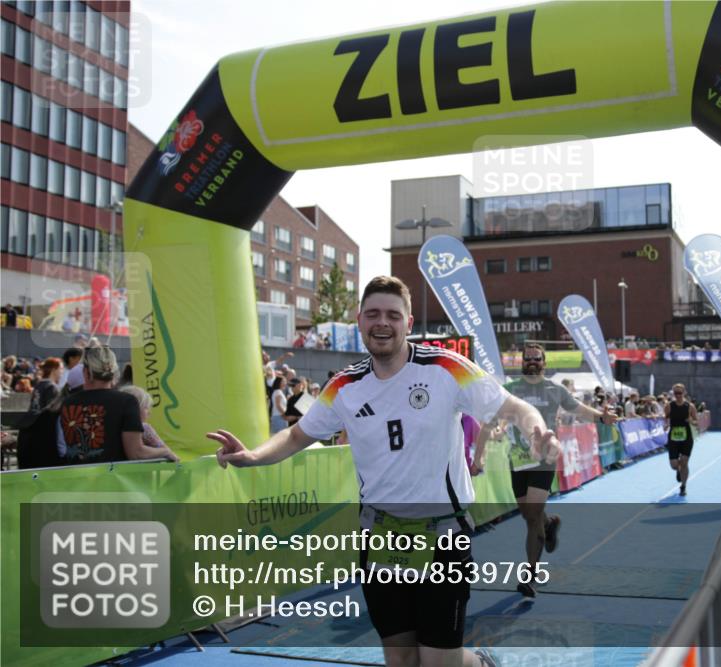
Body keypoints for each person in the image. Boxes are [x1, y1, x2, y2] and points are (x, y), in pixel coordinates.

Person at [208, 276, 558, 667]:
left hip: (443, 535)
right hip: (380, 535)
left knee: (440, 662)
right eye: (373, 313)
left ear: (408, 323)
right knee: (401, 659)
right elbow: (294, 436)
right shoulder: (344, 385)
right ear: (359, 320)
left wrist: (536, 431)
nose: (382, 323)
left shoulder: (445, 367)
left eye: (393, 315)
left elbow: (513, 408)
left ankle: (481, 663)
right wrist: (253, 456)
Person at [473, 342, 617, 598]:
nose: (531, 362)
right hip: (516, 461)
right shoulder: (509, 390)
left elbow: (580, 410)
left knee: (532, 517)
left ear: (544, 363)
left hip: (544, 459)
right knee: (529, 515)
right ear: (521, 363)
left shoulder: (555, 390)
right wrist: (481, 455)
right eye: (527, 358)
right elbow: (489, 424)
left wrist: (602, 417)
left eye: (536, 358)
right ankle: (549, 524)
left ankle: (530, 574)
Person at [57, 345, 179, 464]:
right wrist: (165, 452)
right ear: (114, 372)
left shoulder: (68, 403)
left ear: (86, 372)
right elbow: (136, 453)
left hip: (78, 480)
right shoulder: (126, 401)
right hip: (113, 481)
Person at [666, 383, 697, 496]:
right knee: (674, 465)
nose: (678, 395)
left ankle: (683, 486)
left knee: (684, 462)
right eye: (675, 393)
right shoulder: (669, 405)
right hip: (673, 437)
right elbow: (666, 418)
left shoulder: (690, 406)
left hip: (686, 438)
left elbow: (696, 421)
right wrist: (665, 424)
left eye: (680, 393)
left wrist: (691, 421)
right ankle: (678, 471)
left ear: (684, 393)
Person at [119, 385, 170, 450]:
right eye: (146, 407)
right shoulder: (145, 428)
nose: (149, 412)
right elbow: (165, 449)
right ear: (136, 408)